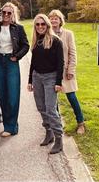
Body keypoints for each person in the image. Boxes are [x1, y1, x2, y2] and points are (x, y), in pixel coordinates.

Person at [27, 14, 64, 154]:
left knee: (50, 109)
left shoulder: (56, 41)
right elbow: (33, 63)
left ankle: (59, 139)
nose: (40, 27)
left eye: (43, 24)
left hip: (51, 78)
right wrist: (30, 80)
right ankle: (49, 133)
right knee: (41, 107)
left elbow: (61, 63)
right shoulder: (36, 41)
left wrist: (58, 82)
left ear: (47, 25)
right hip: (37, 77)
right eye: (38, 24)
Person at [0, 2, 29, 137]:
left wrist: (17, 56)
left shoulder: (18, 28)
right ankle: (8, 126)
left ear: (13, 14)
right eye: (4, 12)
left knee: (13, 96)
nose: (6, 15)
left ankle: (12, 126)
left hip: (11, 62)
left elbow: (26, 46)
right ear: (1, 14)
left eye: (9, 12)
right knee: (2, 95)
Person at [49, 9, 85, 134]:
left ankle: (81, 123)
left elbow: (72, 53)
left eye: (56, 18)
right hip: (52, 72)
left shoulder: (68, 34)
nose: (53, 20)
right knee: (53, 101)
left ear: (60, 20)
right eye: (51, 18)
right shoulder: (46, 34)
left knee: (72, 97)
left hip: (65, 72)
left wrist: (71, 69)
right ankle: (57, 124)